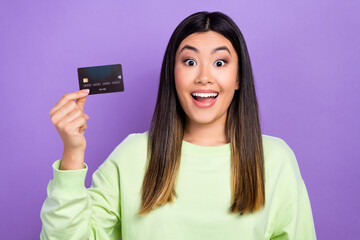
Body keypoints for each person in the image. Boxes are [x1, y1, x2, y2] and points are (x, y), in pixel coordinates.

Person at [40, 11, 316, 239]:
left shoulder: (275, 160)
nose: (204, 77)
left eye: (220, 62)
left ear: (239, 78)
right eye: (190, 61)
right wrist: (73, 154)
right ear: (173, 75)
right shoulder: (132, 155)